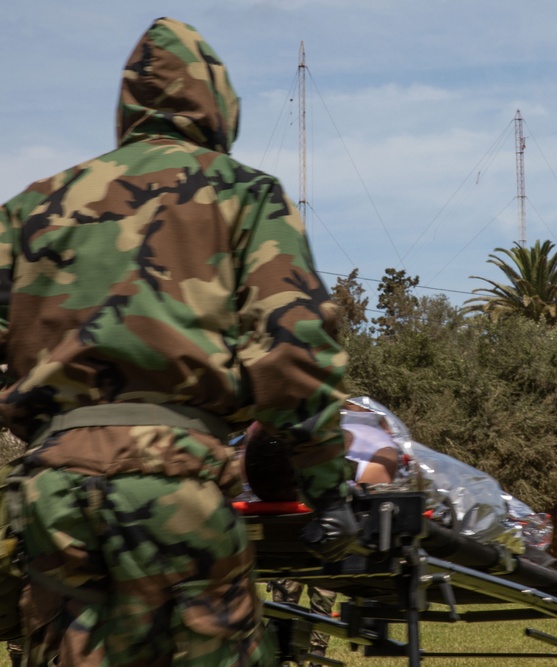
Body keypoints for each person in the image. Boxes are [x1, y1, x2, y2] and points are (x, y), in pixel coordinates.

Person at [0, 17, 356, 666]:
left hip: (52, 495)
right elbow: (295, 349)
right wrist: (327, 484)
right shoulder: (244, 194)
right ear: (218, 104)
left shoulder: (32, 208)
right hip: (176, 489)